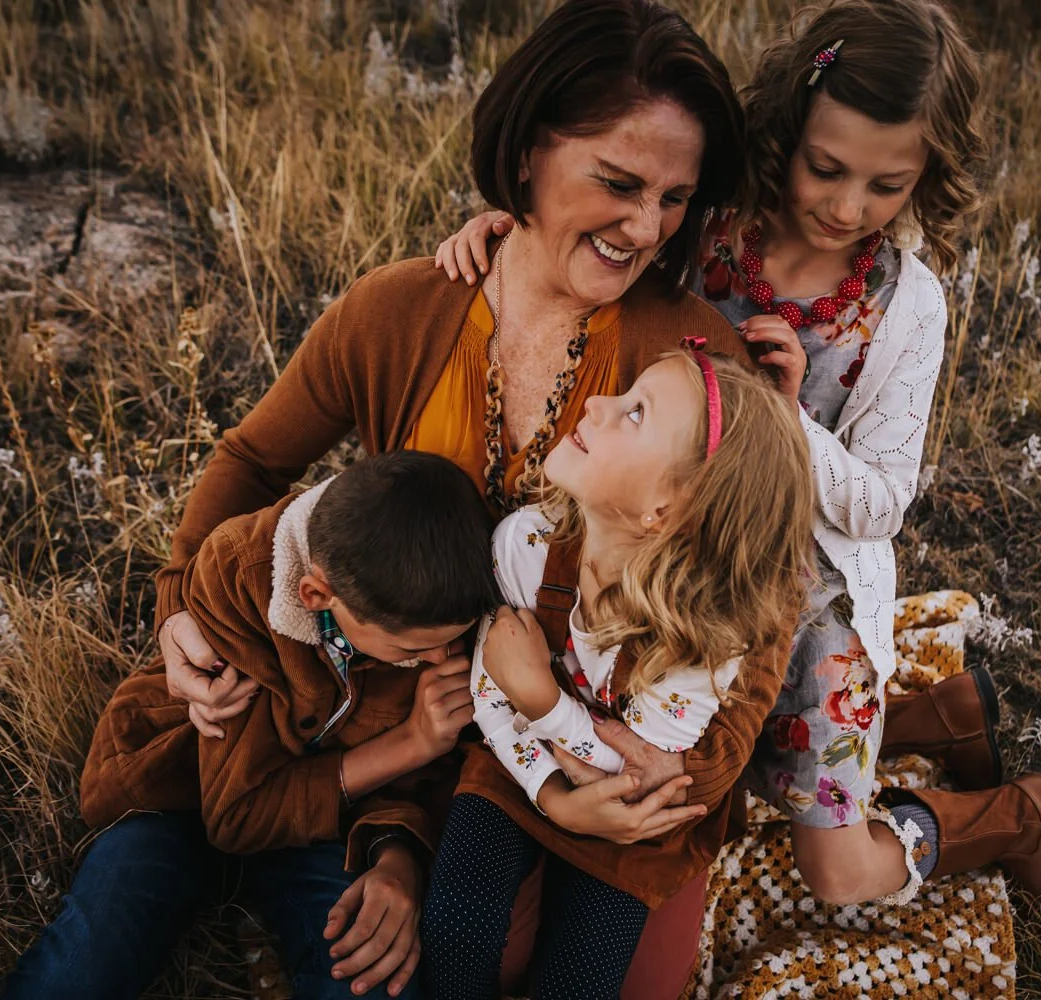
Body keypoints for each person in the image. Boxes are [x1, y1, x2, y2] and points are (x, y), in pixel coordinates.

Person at [149, 1, 796, 994]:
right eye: (617, 183)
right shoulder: (400, 310)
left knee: (615, 980)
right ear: (530, 151)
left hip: (619, 734)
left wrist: (640, 784)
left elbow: (767, 587)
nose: (644, 228)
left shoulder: (689, 355)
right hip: (430, 718)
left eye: (673, 198)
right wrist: (178, 609)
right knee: (446, 957)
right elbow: (248, 461)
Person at [434, 0, 1041, 939]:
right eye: (826, 167)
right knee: (667, 739)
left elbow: (882, 505)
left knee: (835, 868)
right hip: (663, 564)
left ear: (926, 176)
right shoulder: (710, 225)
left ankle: (1019, 817)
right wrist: (518, 226)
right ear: (788, 127)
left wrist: (787, 421)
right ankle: (938, 719)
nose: (846, 206)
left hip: (798, 596)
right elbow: (614, 240)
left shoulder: (908, 306)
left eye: (887, 185)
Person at [1, 452, 501, 1000]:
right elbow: (235, 815)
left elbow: (424, 784)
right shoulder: (241, 578)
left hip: (331, 824)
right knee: (87, 958)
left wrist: (395, 853)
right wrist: (411, 742)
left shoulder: (429, 607)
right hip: (181, 792)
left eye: (453, 639)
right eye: (414, 648)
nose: (442, 658)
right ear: (316, 595)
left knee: (369, 978)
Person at [422, 347, 818, 999]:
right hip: (517, 759)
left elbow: (639, 779)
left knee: (581, 983)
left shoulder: (702, 644)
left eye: (635, 413)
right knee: (455, 932)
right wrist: (550, 786)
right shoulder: (524, 546)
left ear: (665, 509)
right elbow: (493, 690)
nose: (599, 403)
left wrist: (544, 701)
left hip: (634, 823)